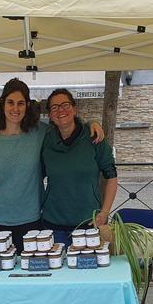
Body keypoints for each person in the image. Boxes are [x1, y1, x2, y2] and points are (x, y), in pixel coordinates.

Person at [0, 79, 102, 252]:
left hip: (31, 222)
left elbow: (65, 122)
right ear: (2, 104)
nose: (15, 109)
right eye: (10, 102)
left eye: (21, 103)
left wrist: (91, 123)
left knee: (31, 275)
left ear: (27, 106)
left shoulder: (41, 132)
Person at [41, 89, 118, 246]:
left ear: (75, 109)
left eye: (65, 105)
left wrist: (105, 212)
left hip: (88, 224)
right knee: (57, 270)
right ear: (50, 115)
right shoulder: (45, 140)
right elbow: (31, 174)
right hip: (53, 225)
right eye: (54, 107)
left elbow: (111, 176)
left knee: (88, 270)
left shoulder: (93, 137)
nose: (60, 110)